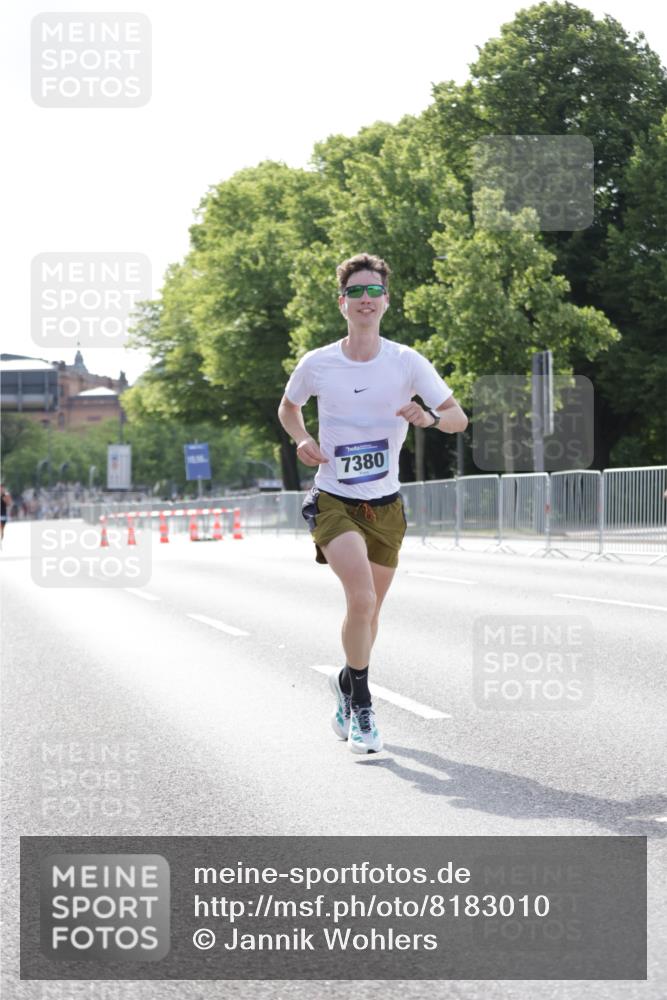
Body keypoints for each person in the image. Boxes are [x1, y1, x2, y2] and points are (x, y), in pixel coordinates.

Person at [278, 253, 467, 754]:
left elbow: (458, 419)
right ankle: (363, 706)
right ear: (342, 303)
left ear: (386, 300)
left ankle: (346, 682)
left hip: (386, 507)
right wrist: (301, 439)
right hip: (333, 497)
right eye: (356, 292)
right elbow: (288, 406)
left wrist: (427, 418)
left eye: (373, 292)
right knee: (360, 599)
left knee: (370, 612)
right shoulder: (317, 363)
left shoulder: (406, 362)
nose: (365, 300)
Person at [0, 484, 12, 549]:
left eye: (2, 488)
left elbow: (9, 504)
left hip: (3, 515)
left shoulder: (6, 495)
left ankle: (1, 538)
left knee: (2, 529)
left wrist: (4, 499)